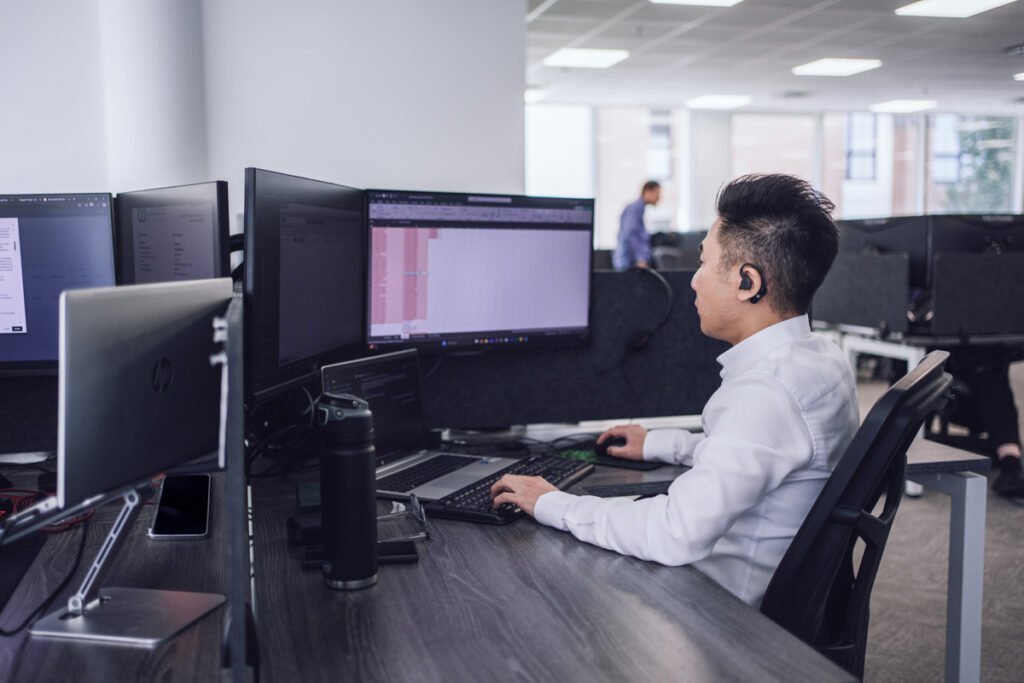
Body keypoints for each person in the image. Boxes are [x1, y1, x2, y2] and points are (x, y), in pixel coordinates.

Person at [491, 174, 860, 608]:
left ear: (748, 283)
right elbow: (757, 453)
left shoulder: (766, 393)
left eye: (704, 263)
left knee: (532, 587)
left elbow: (674, 534)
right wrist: (662, 444)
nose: (693, 281)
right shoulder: (820, 358)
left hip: (721, 615)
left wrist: (554, 503)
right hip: (767, 588)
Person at [612, 180, 661, 270]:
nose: (659, 197)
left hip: (627, 262)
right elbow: (631, 234)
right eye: (657, 193)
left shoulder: (637, 208)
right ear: (647, 191)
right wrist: (641, 258)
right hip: (629, 263)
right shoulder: (635, 209)